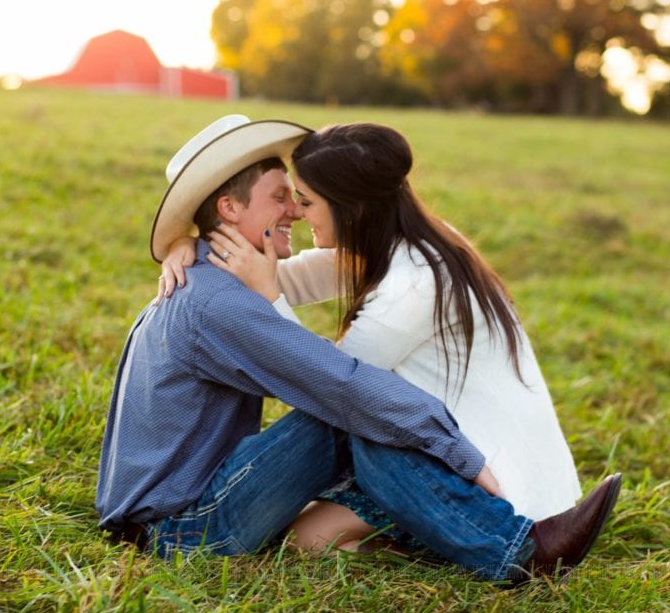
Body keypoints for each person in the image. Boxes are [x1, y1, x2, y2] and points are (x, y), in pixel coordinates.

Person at [98, 114, 620, 583]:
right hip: (182, 533)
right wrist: (460, 453)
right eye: (283, 197)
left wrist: (194, 241)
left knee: (354, 425)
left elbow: (296, 303)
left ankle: (490, 542)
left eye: (301, 199)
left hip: (177, 514)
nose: (296, 213)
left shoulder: (220, 278)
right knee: (351, 411)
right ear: (230, 208)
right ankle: (517, 552)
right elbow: (341, 385)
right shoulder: (218, 301)